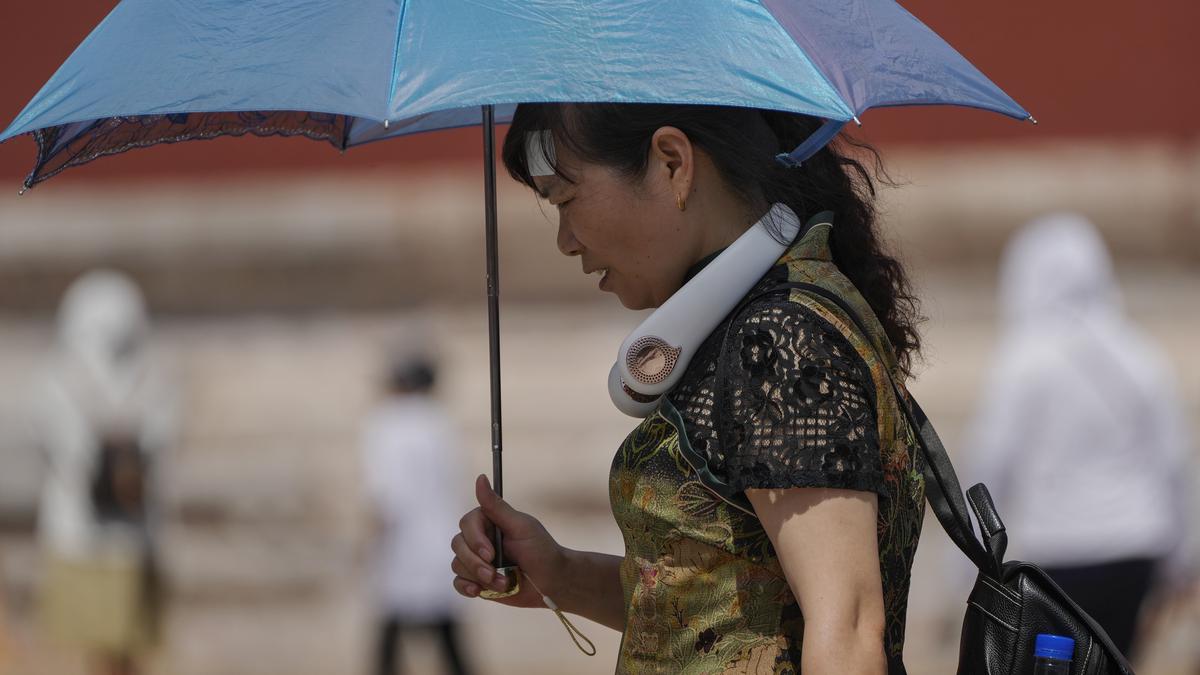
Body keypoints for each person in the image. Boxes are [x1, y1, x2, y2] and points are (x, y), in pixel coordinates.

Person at [450, 104, 927, 673]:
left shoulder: (778, 340)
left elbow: (846, 630)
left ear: (672, 163)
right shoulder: (764, 322)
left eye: (564, 198)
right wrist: (562, 573)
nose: (566, 241)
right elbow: (724, 620)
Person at [963, 213, 1197, 660]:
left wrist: (969, 569)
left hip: (1056, 558)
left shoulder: (1023, 361)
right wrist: (1181, 562)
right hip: (1136, 551)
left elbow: (991, 465)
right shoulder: (1139, 353)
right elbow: (1172, 462)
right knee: (1116, 663)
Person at [32, 270, 176, 675]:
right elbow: (61, 445)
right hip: (81, 528)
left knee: (127, 646)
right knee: (94, 646)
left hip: (131, 529)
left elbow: (160, 436)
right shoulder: (59, 378)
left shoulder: (150, 375)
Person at [361, 355, 473, 675]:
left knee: (390, 632)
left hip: (400, 540)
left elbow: (385, 493)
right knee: (448, 633)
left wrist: (371, 543)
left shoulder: (386, 422)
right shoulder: (440, 420)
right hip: (442, 537)